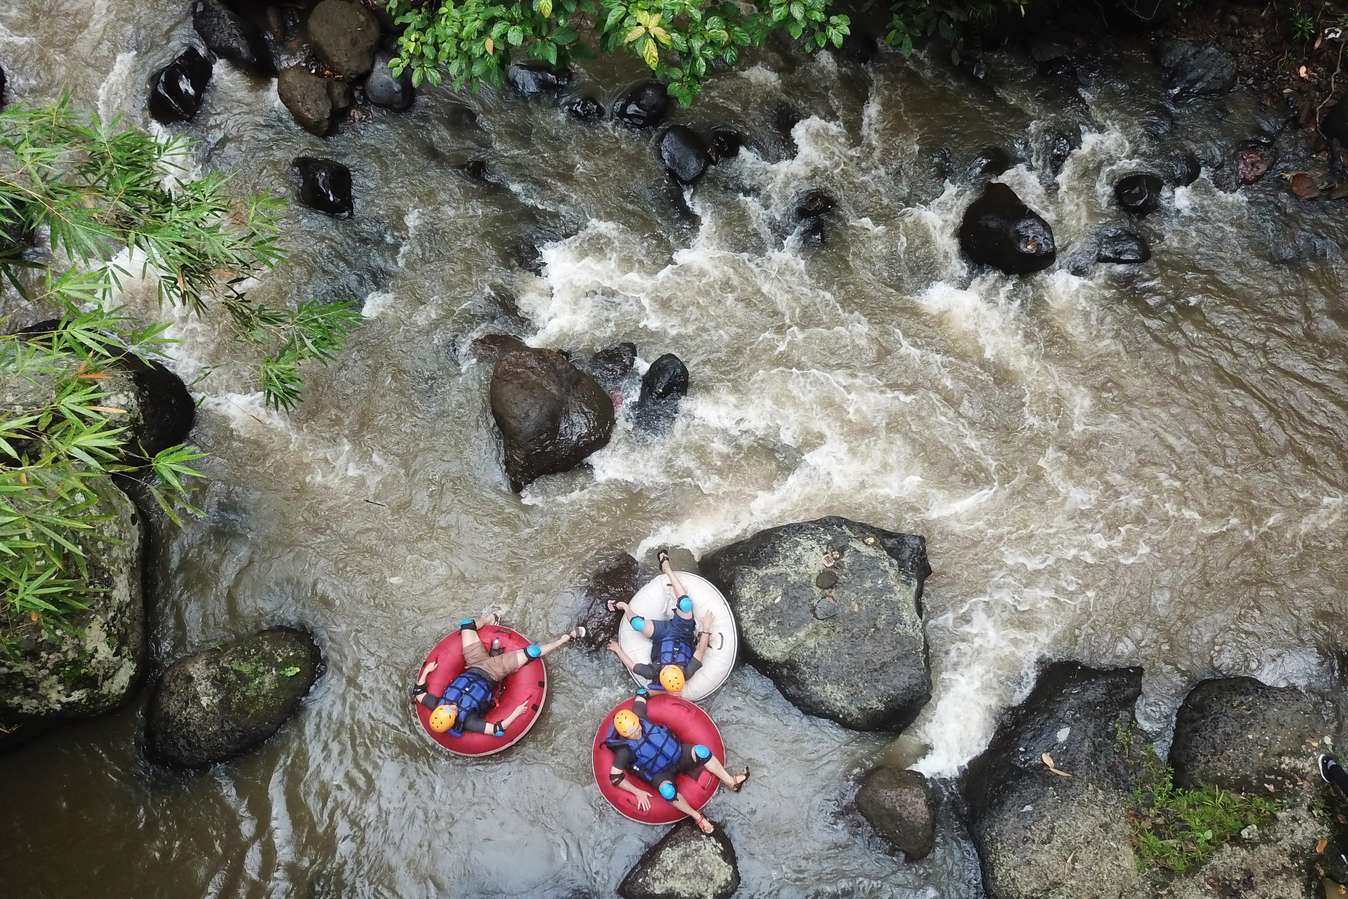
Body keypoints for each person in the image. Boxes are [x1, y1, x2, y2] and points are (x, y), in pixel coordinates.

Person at [413, 612, 585, 738]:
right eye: (452, 712)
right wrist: (516, 714)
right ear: (452, 720)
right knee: (532, 652)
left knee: (466, 624)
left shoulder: (436, 704)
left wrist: (427, 671)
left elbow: (418, 692)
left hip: (473, 664)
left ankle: (491, 618)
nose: (452, 707)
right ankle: (566, 638)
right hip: (494, 672)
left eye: (447, 707)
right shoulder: (468, 721)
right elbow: (497, 730)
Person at [605, 686, 749, 835]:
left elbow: (642, 692)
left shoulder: (639, 715)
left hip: (678, 754)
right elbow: (615, 777)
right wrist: (637, 792)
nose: (637, 732)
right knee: (668, 792)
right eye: (632, 733)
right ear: (624, 734)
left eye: (636, 727)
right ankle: (697, 817)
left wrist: (668, 693)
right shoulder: (624, 750)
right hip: (660, 774)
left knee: (702, 752)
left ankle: (731, 782)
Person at [607, 549, 712, 695]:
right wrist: (706, 627)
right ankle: (666, 568)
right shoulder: (688, 671)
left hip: (661, 636)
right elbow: (701, 649)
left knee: (637, 624)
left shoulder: (653, 672)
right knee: (686, 604)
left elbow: (632, 666)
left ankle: (624, 606)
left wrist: (617, 649)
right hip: (683, 633)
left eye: (666, 668)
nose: (669, 666)